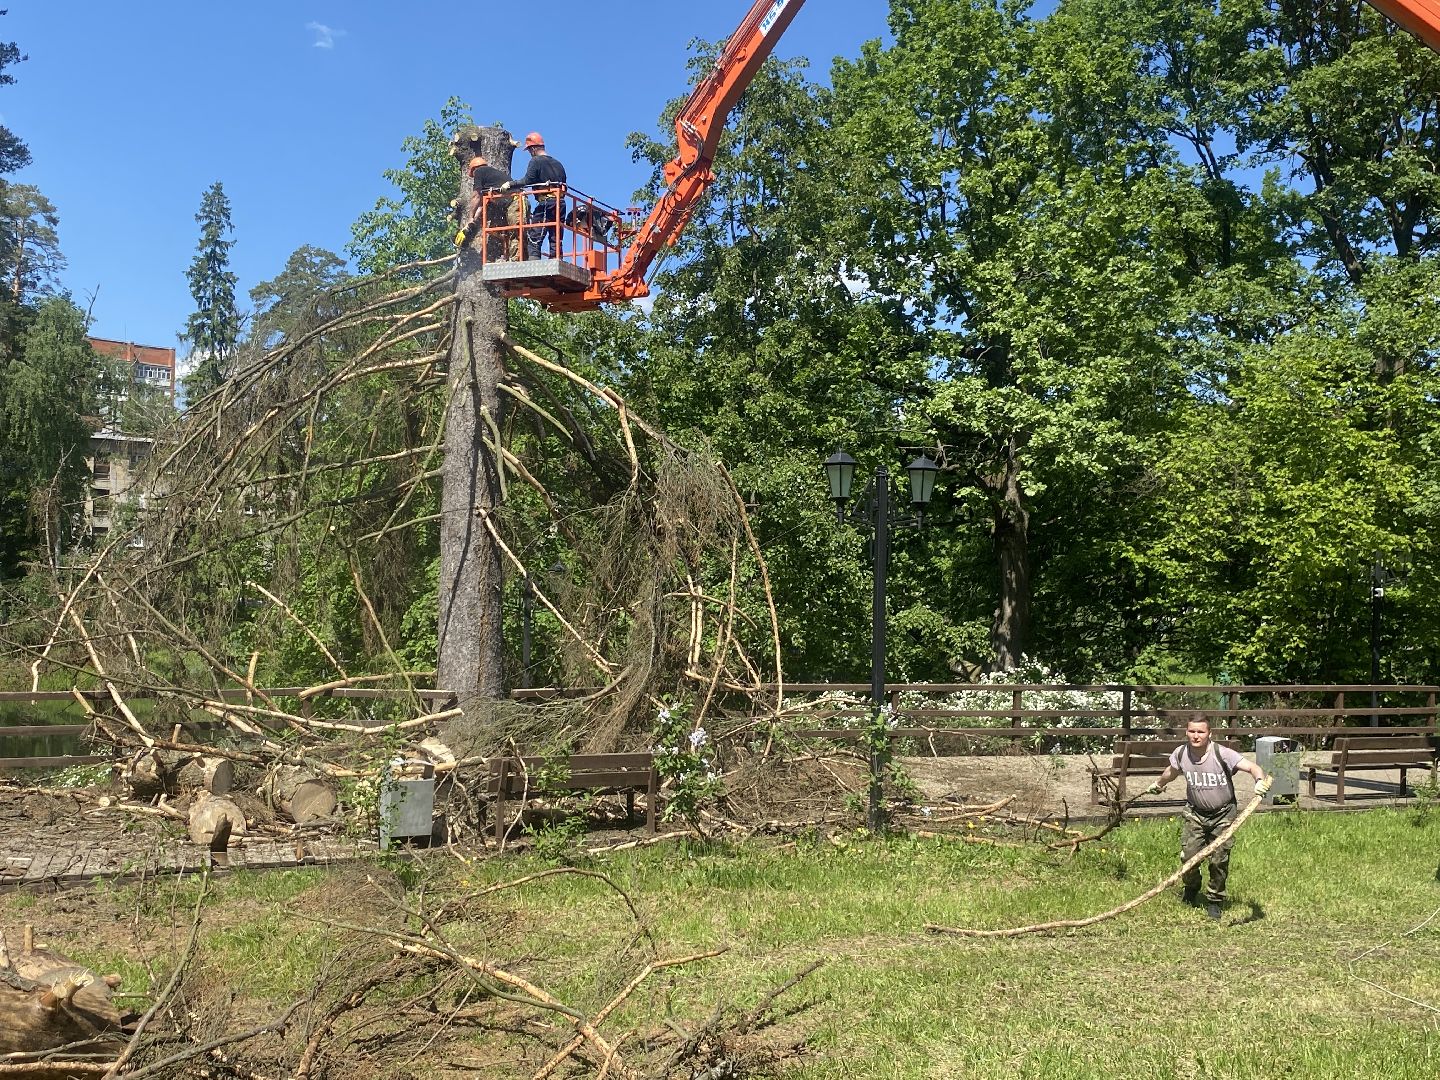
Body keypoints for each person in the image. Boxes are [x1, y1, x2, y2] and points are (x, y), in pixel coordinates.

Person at [1144, 713, 1272, 920]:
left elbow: (1252, 767)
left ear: (1209, 733)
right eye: (1192, 731)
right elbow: (1172, 770)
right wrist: (1159, 784)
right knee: (1189, 857)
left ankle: (1215, 900)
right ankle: (1192, 888)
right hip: (1195, 813)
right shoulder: (1181, 753)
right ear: (1187, 732)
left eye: (1200, 732)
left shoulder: (1222, 753)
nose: (1196, 736)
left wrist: (1259, 781)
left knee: (1219, 860)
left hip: (1223, 814)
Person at [499, 131, 567, 259]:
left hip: (546, 202)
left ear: (534, 148)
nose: (530, 153)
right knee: (555, 235)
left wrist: (510, 184)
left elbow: (528, 180)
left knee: (535, 236)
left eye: (530, 150)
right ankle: (557, 259)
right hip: (560, 202)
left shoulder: (536, 161)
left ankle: (533, 262)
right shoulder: (558, 164)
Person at [454, 155, 514, 257]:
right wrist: (472, 222)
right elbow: (482, 204)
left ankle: (513, 257)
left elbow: (476, 197)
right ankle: (499, 255)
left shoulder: (479, 171)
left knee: (516, 233)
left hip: (512, 203)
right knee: (500, 232)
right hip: (506, 205)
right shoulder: (492, 177)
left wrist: (470, 218)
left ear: (474, 169)